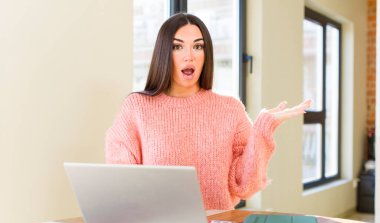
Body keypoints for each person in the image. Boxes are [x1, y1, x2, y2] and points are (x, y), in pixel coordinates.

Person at [105, 13, 311, 210]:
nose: (189, 56)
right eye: (177, 46)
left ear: (206, 54)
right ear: (164, 53)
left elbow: (245, 186)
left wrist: (263, 128)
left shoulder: (230, 109)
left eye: (198, 46)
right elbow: (122, 185)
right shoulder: (136, 108)